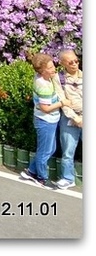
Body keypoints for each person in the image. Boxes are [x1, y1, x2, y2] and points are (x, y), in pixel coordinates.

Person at [19, 52, 63, 189]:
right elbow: (45, 108)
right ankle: (41, 178)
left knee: (50, 149)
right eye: (49, 68)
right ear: (41, 71)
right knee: (44, 152)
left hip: (51, 120)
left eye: (53, 65)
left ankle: (31, 171)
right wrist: (63, 103)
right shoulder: (43, 84)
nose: (53, 69)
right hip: (45, 121)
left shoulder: (44, 78)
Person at [53, 49, 82, 190]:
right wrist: (76, 118)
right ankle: (67, 178)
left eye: (76, 60)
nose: (75, 64)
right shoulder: (59, 78)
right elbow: (62, 100)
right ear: (62, 63)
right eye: (71, 62)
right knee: (68, 151)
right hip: (70, 118)